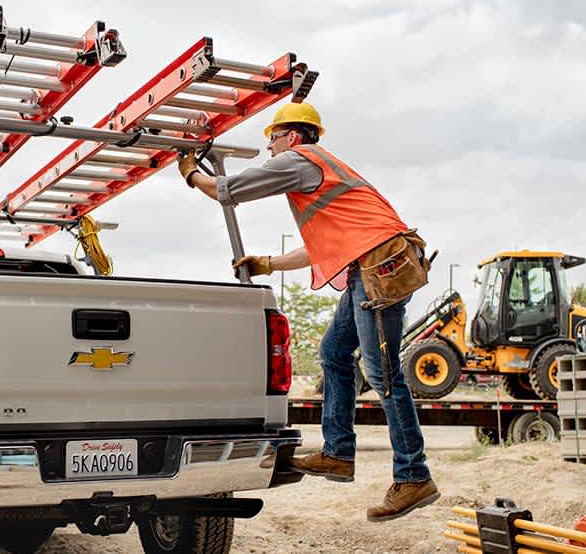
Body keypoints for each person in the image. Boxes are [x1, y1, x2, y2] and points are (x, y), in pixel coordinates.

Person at [177, 102, 440, 522]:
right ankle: (338, 453)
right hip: (370, 268)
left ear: (293, 137)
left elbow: (229, 191)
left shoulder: (301, 160)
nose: (269, 149)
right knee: (333, 353)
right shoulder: (320, 171)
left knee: (383, 376)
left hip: (378, 269)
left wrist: (191, 173)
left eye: (272, 139)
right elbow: (321, 247)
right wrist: (268, 263)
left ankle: (414, 476)